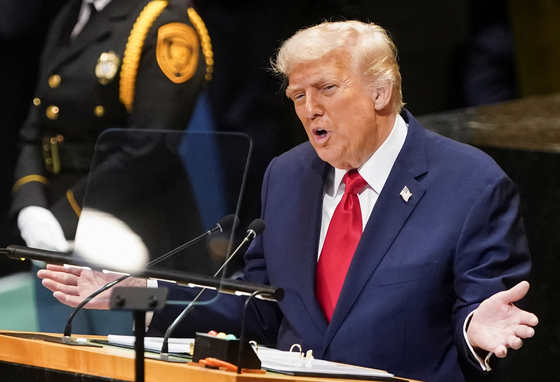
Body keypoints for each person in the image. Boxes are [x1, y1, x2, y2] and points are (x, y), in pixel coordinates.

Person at [37, 20, 538, 382]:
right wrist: (132, 293)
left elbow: (479, 308)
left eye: (325, 89)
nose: (309, 109)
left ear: (381, 92)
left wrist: (475, 327)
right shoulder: (288, 173)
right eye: (298, 96)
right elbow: (253, 308)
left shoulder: (470, 184)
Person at [13, 0, 211, 334]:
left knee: (123, 361)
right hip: (54, 231)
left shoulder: (166, 23)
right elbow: (38, 126)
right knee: (57, 357)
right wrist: (30, 206)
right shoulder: (72, 13)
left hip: (130, 233)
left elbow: (148, 149)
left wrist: (66, 216)